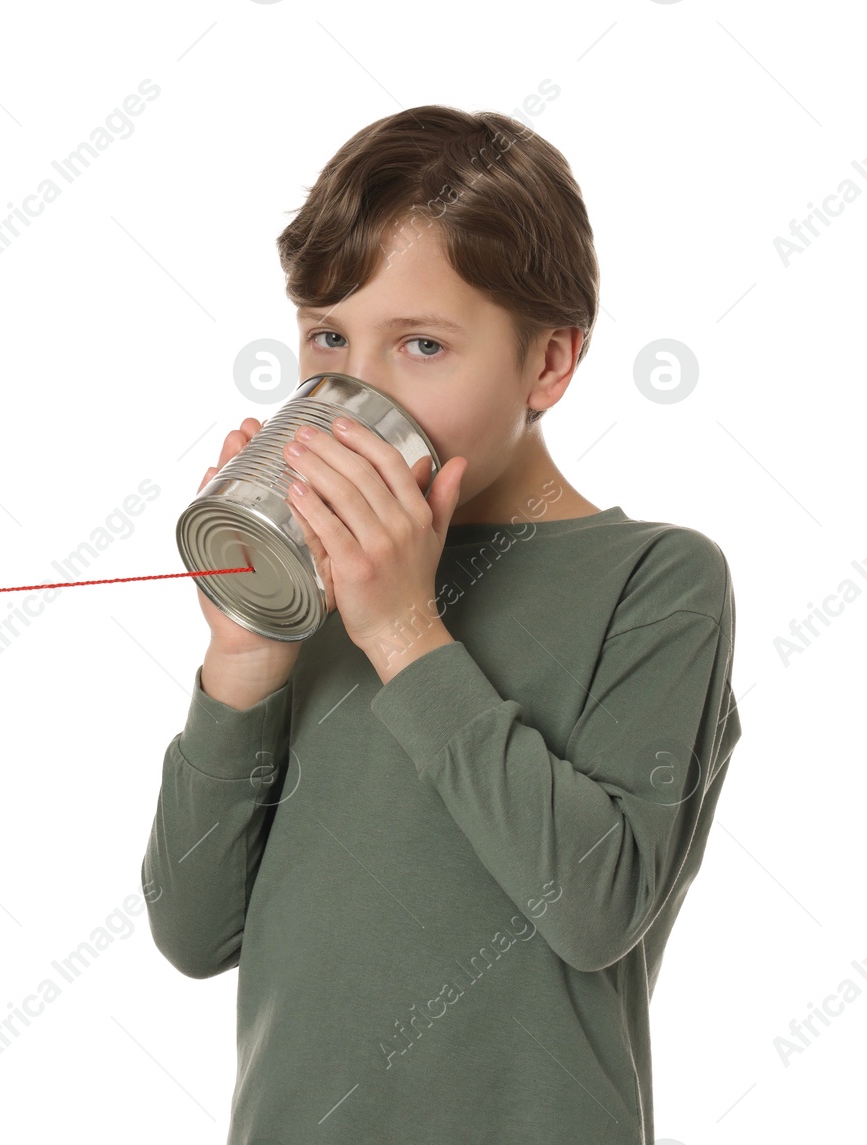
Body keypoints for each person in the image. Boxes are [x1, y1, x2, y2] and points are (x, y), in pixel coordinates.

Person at [140, 104, 741, 1143]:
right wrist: (244, 657)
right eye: (328, 336)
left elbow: (594, 906)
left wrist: (405, 628)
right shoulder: (318, 587)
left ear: (548, 365)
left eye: (420, 343)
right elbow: (194, 932)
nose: (354, 391)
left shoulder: (658, 579)